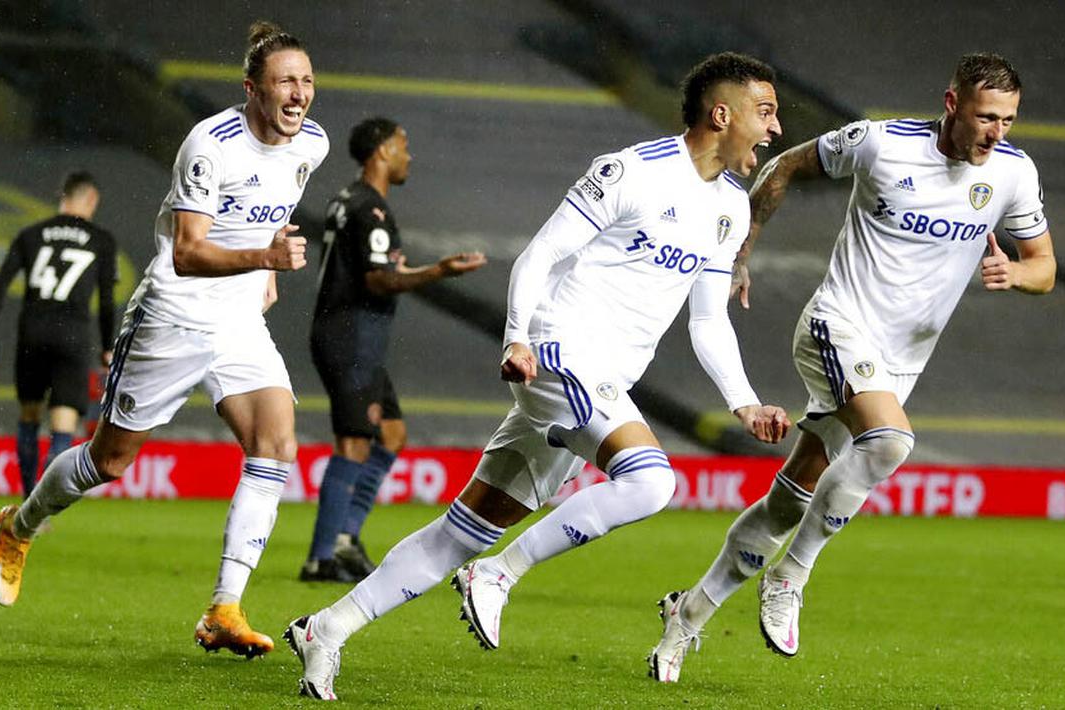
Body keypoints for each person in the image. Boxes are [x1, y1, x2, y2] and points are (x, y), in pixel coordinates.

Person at [282, 51, 791, 701]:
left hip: (600, 380)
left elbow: (708, 318)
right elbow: (541, 253)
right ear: (722, 115)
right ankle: (500, 574)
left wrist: (744, 402)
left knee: (462, 533)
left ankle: (326, 629)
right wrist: (517, 336)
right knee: (650, 482)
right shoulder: (630, 171)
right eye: (765, 112)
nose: (775, 128)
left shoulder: (730, 208)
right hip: (559, 351)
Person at [648, 52, 1056, 682]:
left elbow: (1044, 266)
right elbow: (785, 164)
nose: (995, 133)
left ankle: (687, 616)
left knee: (790, 501)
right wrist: (738, 253)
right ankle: (791, 575)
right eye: (985, 118)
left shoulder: (1012, 173)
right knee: (890, 442)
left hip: (900, 362)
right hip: (837, 326)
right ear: (952, 105)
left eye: (1007, 120)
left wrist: (1016, 273)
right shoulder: (880, 144)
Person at [0, 21, 329, 660]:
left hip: (238, 321)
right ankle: (20, 523)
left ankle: (224, 608)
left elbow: (275, 204)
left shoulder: (312, 142)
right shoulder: (209, 146)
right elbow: (188, 254)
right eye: (285, 81)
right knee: (108, 461)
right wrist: (266, 257)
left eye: (306, 81)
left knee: (276, 443)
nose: (299, 93)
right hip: (174, 314)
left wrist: (266, 268)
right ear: (251, 89)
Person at [302, 116, 486, 583]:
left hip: (350, 334)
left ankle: (345, 539)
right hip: (351, 336)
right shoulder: (372, 209)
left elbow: (376, 267)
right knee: (353, 442)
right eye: (403, 145)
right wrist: (439, 271)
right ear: (383, 150)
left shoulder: (347, 200)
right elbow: (379, 280)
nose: (409, 155)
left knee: (391, 434)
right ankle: (322, 556)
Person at [0, 171, 117, 499]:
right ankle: (43, 506)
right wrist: (108, 347)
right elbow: (107, 301)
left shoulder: (31, 235)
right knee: (63, 424)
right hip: (72, 337)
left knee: (29, 415)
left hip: (33, 334)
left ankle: (27, 499)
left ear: (62, 196)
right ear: (92, 199)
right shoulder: (101, 240)